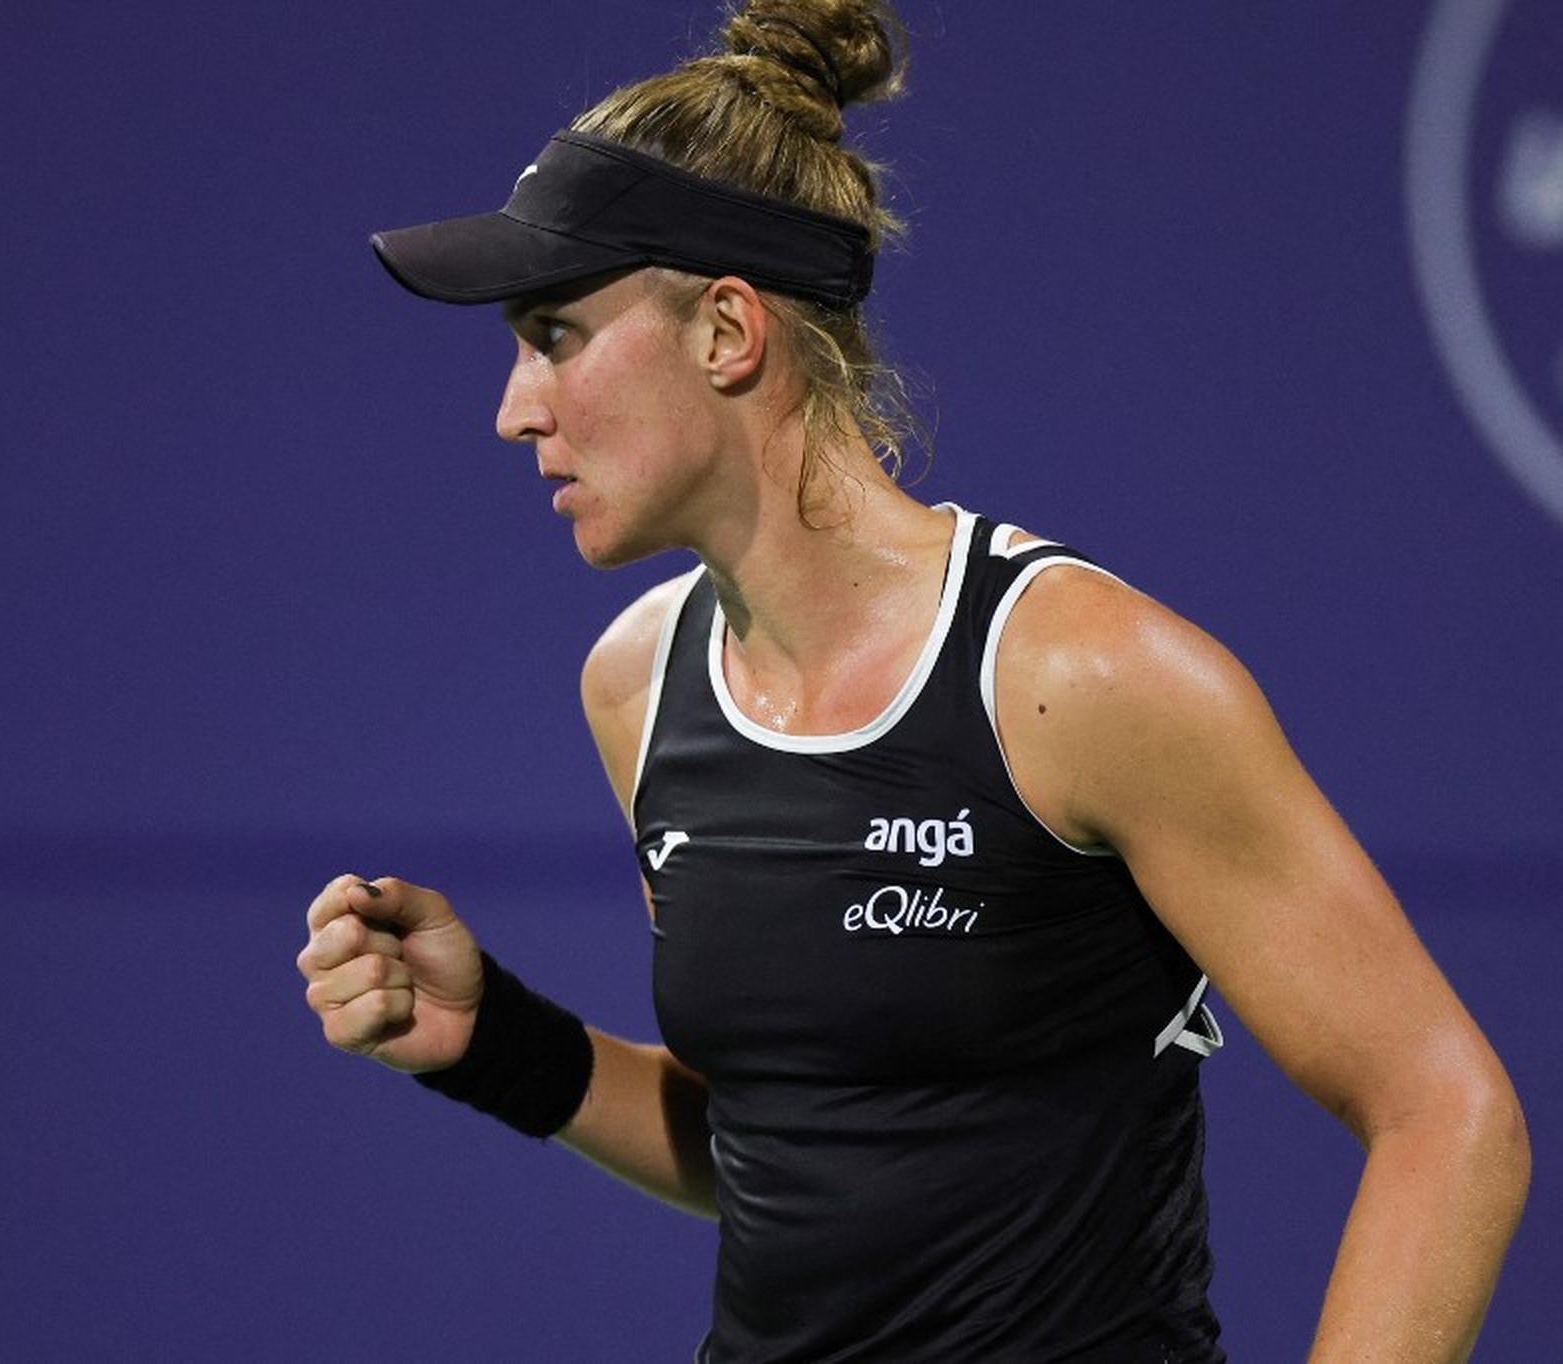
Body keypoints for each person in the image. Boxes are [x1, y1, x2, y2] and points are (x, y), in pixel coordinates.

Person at [296, 1, 1530, 1358]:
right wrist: (497, 1044)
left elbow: (1447, 1114)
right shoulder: (635, 684)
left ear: (726, 331)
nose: (513, 407)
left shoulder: (1081, 677)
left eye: (555, 334)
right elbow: (786, 1150)